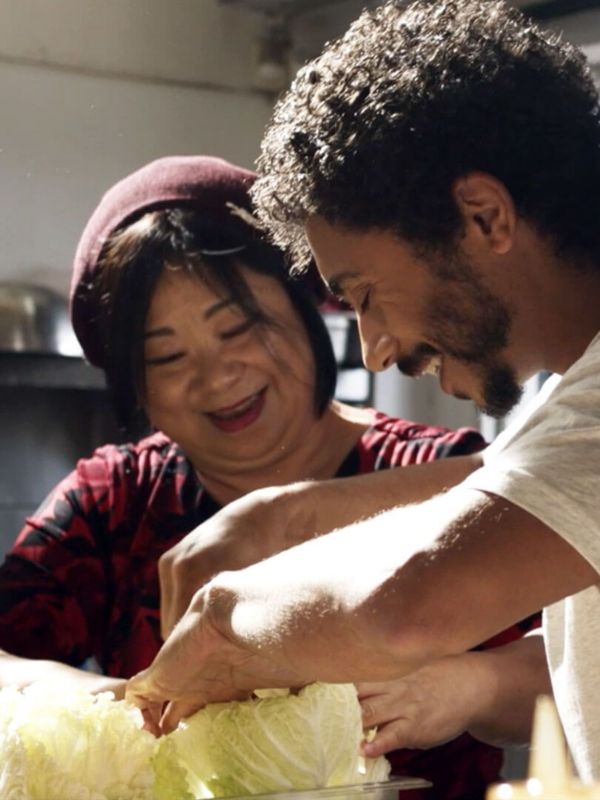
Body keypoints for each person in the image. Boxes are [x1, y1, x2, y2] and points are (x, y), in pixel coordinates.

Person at [125, 0, 600, 785]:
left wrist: (216, 632)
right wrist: (284, 513)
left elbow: (407, 609)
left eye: (367, 293)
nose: (378, 349)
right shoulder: (570, 405)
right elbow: (510, 481)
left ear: (484, 216)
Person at [0, 154, 532, 798]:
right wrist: (113, 704)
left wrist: (463, 689)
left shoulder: (438, 473)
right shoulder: (115, 501)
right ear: (135, 386)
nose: (217, 376)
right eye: (167, 356)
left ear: (307, 313)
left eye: (239, 328)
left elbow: (567, 666)